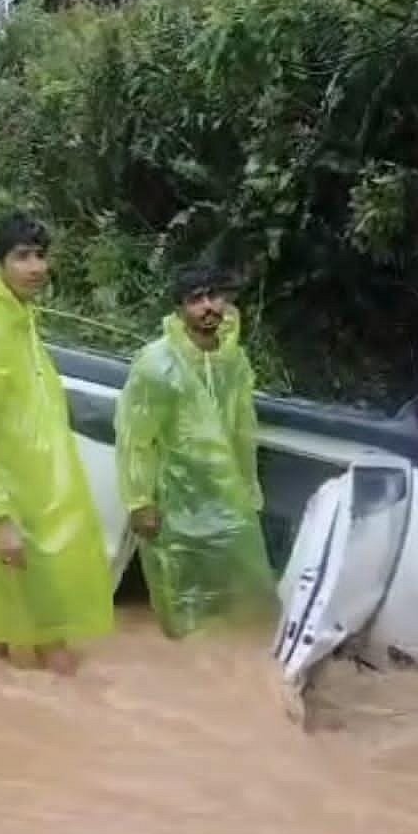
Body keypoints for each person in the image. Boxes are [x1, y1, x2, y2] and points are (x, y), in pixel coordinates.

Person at [0, 213, 114, 675]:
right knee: (29, 632)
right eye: (22, 256)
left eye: (40, 255)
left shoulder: (19, 323)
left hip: (37, 500)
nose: (36, 267)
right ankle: (18, 724)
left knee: (14, 622)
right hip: (4, 504)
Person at [115, 263, 277, 639]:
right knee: (182, 606)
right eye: (196, 299)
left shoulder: (233, 360)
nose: (208, 307)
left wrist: (249, 490)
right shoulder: (157, 364)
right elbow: (135, 436)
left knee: (237, 608)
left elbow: (241, 430)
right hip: (176, 506)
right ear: (179, 309)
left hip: (228, 502)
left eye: (215, 296)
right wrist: (140, 501)